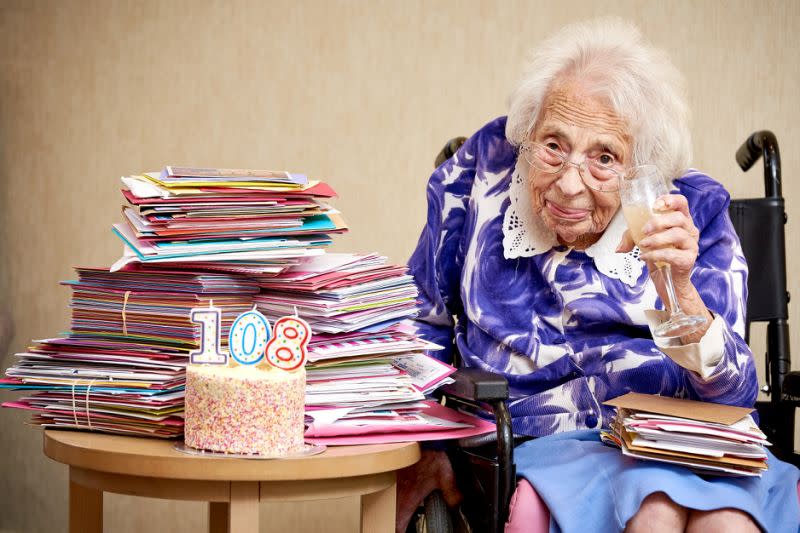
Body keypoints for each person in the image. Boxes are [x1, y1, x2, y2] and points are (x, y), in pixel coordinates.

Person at [399, 17, 800, 533]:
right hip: (544, 440)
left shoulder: (694, 210)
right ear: (528, 131)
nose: (569, 184)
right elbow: (418, 321)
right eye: (553, 145)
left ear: (643, 166)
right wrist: (425, 445)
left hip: (685, 441)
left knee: (728, 524)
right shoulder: (480, 174)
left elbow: (734, 394)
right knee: (653, 514)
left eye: (604, 158)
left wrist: (679, 290)